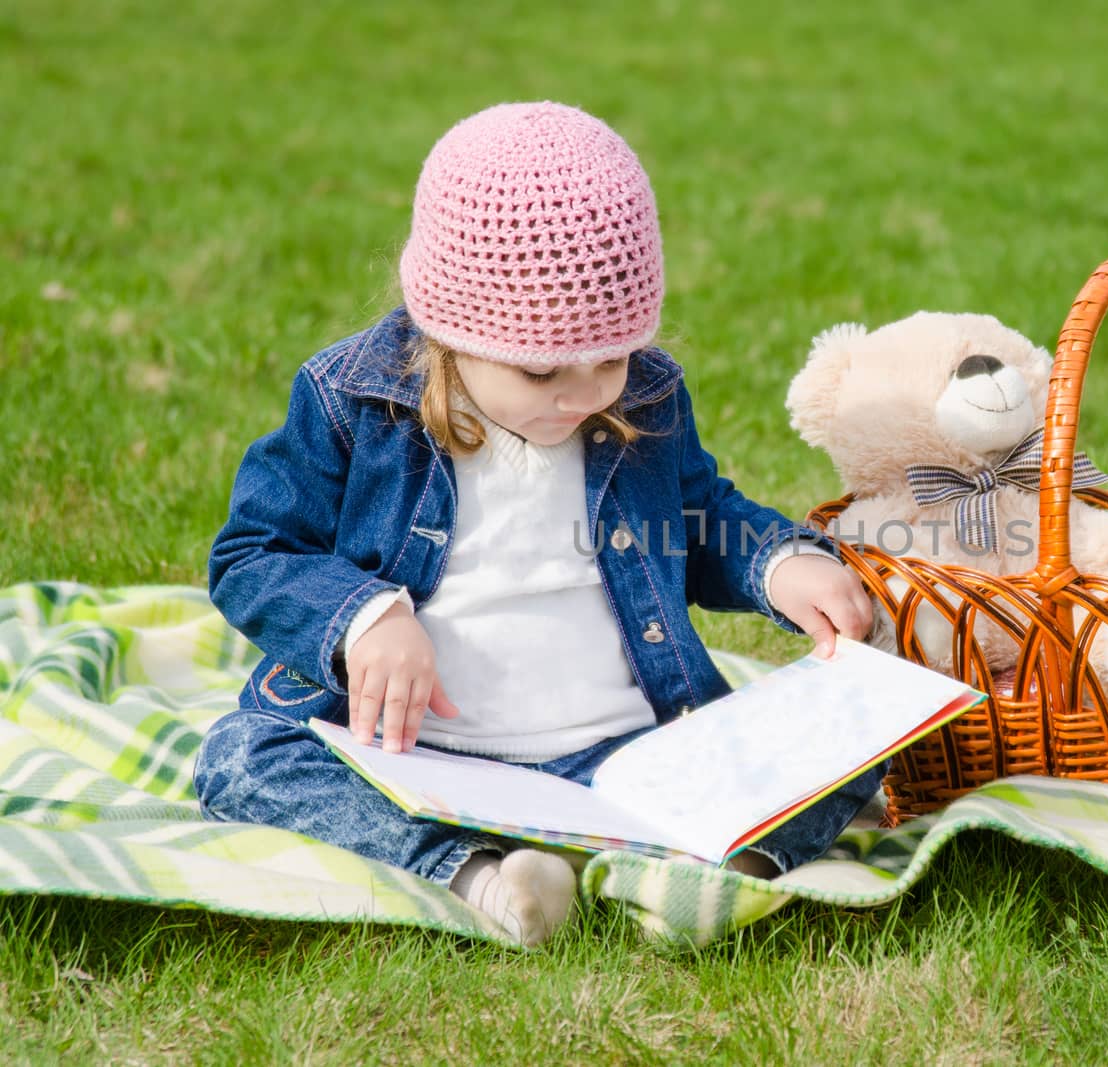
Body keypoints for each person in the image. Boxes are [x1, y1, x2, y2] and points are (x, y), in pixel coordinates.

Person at [195, 102, 878, 947]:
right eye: (543, 370)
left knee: (855, 740)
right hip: (420, 759)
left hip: (625, 752)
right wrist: (365, 618)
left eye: (611, 358)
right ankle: (487, 877)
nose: (585, 393)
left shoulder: (645, 396)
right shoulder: (352, 403)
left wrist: (778, 566)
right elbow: (253, 553)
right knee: (242, 753)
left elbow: (698, 519)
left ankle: (702, 878)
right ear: (449, 333)